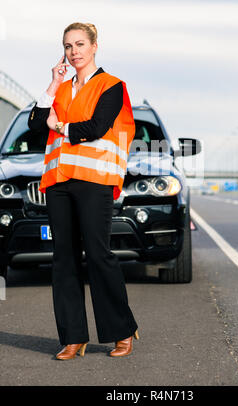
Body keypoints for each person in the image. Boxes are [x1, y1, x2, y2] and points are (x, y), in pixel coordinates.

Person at [28, 22, 139, 359]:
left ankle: (122, 330)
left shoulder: (112, 86)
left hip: (94, 182)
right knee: (63, 258)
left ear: (94, 47)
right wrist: (52, 84)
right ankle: (73, 337)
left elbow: (95, 128)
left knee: (98, 253)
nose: (73, 52)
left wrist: (59, 125)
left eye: (79, 44)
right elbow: (35, 124)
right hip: (59, 183)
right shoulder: (60, 88)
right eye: (67, 46)